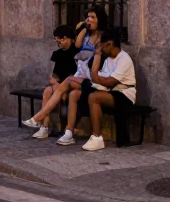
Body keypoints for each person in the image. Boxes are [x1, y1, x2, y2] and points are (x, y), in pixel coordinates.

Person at [22, 8, 107, 136]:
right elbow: (78, 44)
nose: (89, 20)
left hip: (91, 75)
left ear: (100, 19)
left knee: (67, 87)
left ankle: (39, 119)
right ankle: (43, 127)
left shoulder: (104, 37)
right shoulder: (87, 35)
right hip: (81, 73)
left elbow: (92, 54)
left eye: (92, 17)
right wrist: (85, 27)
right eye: (87, 17)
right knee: (48, 90)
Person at [57, 27, 136, 150]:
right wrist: (97, 75)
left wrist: (97, 56)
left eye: (102, 46)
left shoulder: (124, 59)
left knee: (94, 97)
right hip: (109, 91)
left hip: (124, 94)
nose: (100, 49)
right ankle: (69, 132)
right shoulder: (109, 59)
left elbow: (109, 82)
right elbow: (99, 79)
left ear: (110, 44)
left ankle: (97, 137)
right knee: (74, 94)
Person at [25, 24, 77, 139]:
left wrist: (60, 85)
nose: (59, 44)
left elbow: (75, 74)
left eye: (60, 41)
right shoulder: (58, 54)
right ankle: (44, 127)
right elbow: (54, 74)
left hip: (71, 84)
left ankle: (40, 122)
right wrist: (54, 81)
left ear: (66, 38)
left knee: (54, 90)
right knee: (47, 91)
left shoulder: (76, 52)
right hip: (58, 85)